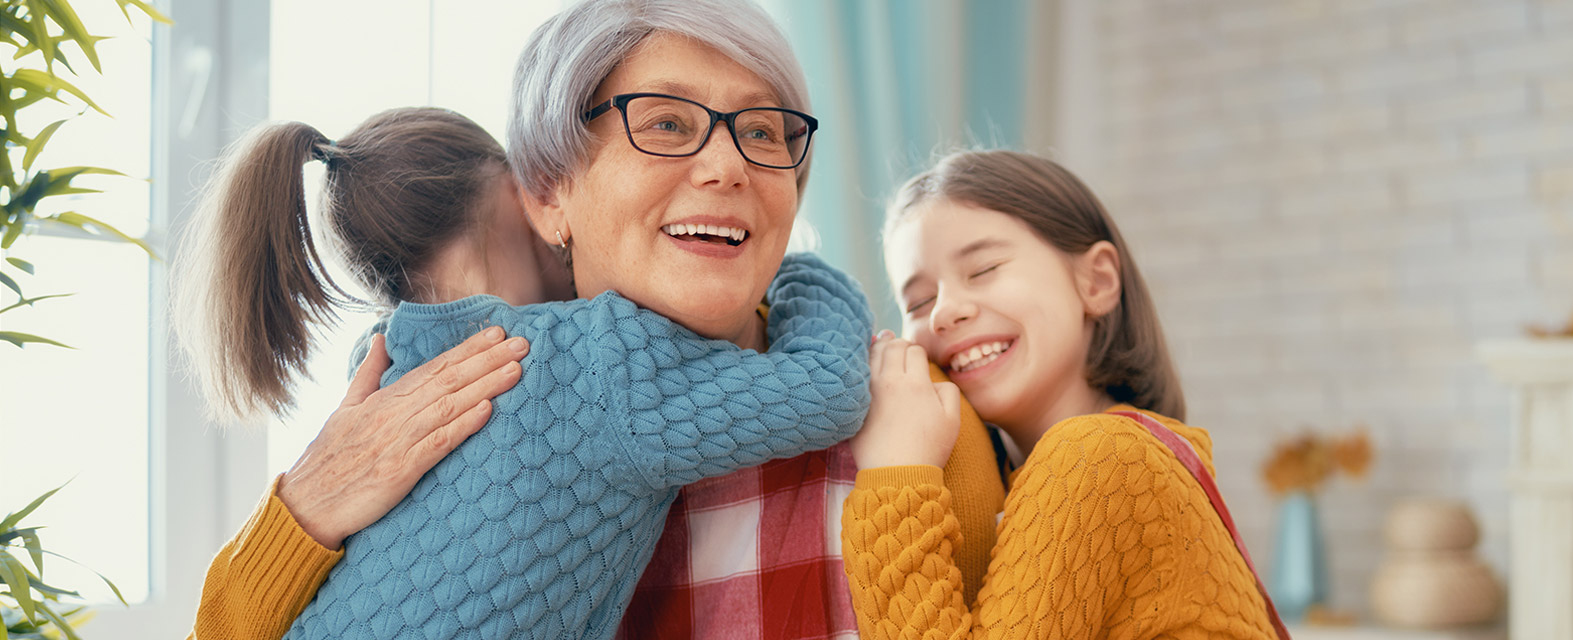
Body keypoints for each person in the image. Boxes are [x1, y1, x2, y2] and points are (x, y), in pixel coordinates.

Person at [187, 2, 1006, 638]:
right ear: (546, 196)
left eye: (763, 132)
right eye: (665, 124)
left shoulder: (920, 424)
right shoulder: (386, 436)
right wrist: (304, 509)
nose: (726, 165)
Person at [842, 150, 1290, 639]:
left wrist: (894, 473)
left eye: (984, 268)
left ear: (1096, 280)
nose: (945, 312)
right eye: (919, 301)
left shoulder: (1098, 457)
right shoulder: (1050, 471)